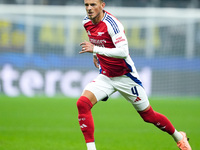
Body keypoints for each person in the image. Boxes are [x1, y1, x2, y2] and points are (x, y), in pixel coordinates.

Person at [77, 0, 192, 150]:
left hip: (126, 77)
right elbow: (98, 41)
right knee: (82, 103)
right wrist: (96, 55)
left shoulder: (113, 24)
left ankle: (179, 137)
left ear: (102, 5)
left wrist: (96, 50)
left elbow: (123, 52)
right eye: (86, 5)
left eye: (93, 4)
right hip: (106, 76)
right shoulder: (86, 22)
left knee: (148, 116)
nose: (89, 8)